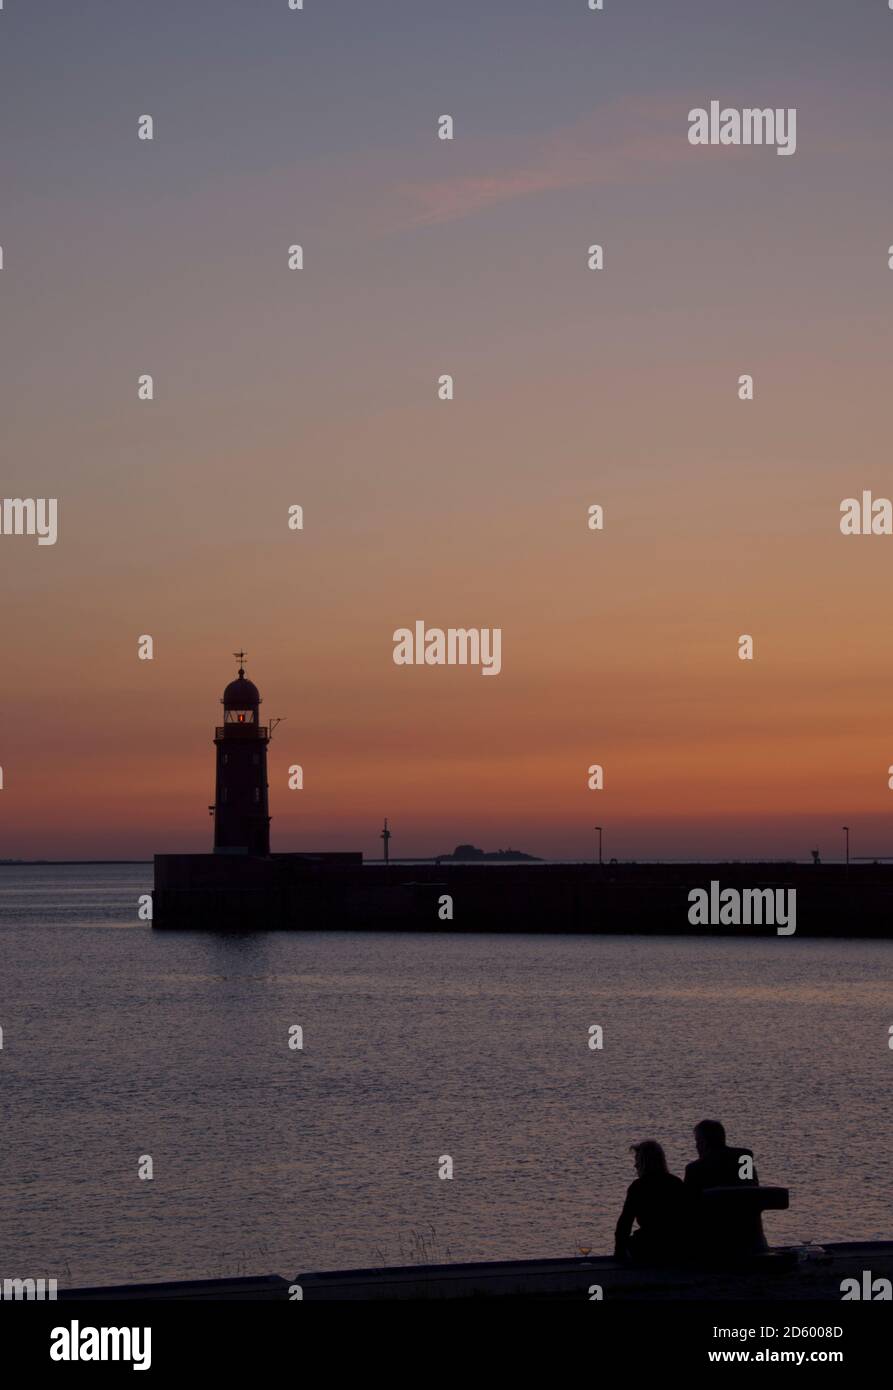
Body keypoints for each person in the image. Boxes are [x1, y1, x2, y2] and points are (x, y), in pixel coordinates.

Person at [684, 1118, 765, 1255]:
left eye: (697, 1141)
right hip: (750, 1237)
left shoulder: (695, 1169)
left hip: (713, 1242)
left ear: (704, 1143)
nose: (696, 1146)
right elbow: (751, 1190)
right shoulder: (744, 1161)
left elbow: (687, 1208)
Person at [614, 1140, 687, 1262]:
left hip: (646, 1246)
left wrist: (619, 1251)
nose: (635, 1165)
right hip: (675, 1246)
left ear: (643, 1162)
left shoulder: (638, 1187)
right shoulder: (676, 1183)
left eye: (637, 1161)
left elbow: (625, 1223)